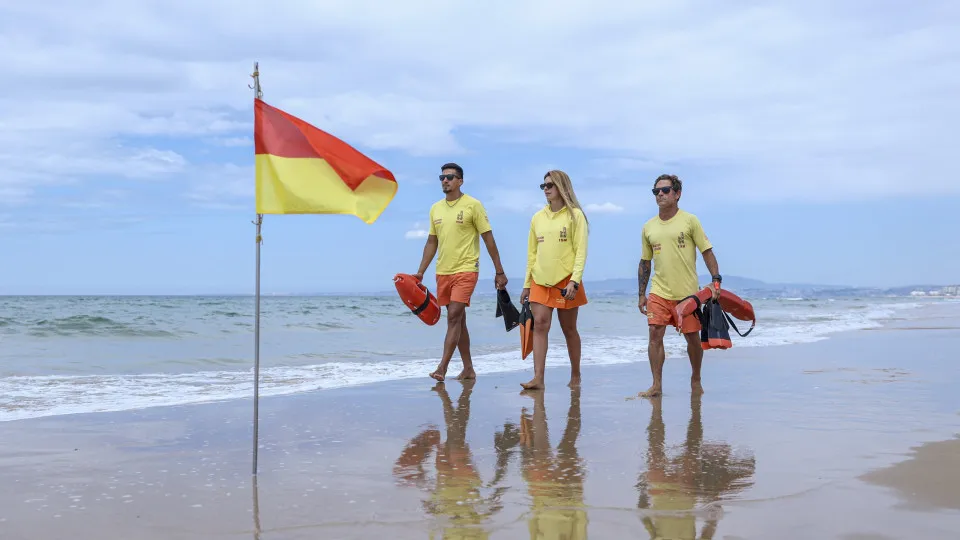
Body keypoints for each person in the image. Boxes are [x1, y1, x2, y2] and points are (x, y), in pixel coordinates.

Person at [413, 162, 508, 382]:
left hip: (466, 269)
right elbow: (431, 242)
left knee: (453, 316)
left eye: (449, 177)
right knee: (459, 321)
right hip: (443, 271)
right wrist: (420, 272)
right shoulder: (435, 209)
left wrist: (499, 271)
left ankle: (442, 368)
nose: (445, 181)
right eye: (442, 177)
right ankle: (468, 369)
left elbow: (488, 238)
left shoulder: (473, 205)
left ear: (460, 181)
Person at [637, 174, 722, 397]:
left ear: (677, 194)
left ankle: (696, 378)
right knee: (654, 334)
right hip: (659, 291)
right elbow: (645, 262)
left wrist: (716, 280)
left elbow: (707, 251)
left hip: (687, 294)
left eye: (665, 190)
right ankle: (656, 385)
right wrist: (642, 294)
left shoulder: (690, 221)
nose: (660, 195)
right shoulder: (648, 227)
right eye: (656, 191)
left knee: (692, 338)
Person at [519, 170, 589, 390]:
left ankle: (575, 374)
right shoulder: (537, 218)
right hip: (540, 280)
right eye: (544, 186)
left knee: (569, 329)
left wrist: (574, 280)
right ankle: (538, 378)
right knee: (540, 325)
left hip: (566, 281)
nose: (546, 189)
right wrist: (527, 284)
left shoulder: (575, 216)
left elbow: (580, 251)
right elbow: (531, 254)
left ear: (562, 187)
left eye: (550, 185)